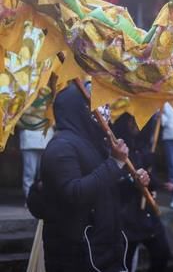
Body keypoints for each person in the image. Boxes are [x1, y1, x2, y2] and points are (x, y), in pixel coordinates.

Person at [38, 83, 150, 272]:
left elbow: (106, 193)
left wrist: (133, 185)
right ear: (78, 109)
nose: (104, 112)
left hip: (106, 252)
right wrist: (114, 163)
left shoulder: (98, 145)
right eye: (98, 105)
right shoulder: (61, 147)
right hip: (77, 257)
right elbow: (75, 194)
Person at [112, 113, 171, 272]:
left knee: (162, 253)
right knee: (126, 260)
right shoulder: (117, 147)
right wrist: (133, 181)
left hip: (148, 213)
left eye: (138, 121)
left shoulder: (146, 145)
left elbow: (150, 178)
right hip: (126, 215)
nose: (135, 125)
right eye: (131, 121)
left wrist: (157, 182)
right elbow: (113, 179)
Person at [17, 88, 54, 198]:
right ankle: (30, 199)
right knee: (32, 173)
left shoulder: (50, 96)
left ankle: (39, 200)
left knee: (39, 174)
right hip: (33, 136)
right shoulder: (24, 96)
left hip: (42, 136)